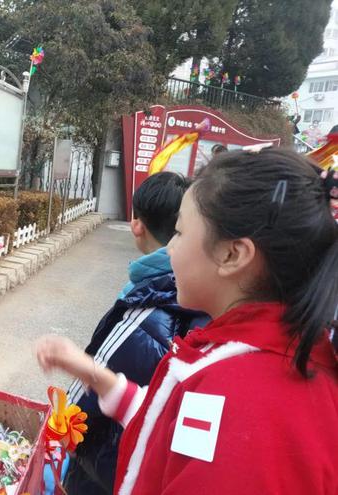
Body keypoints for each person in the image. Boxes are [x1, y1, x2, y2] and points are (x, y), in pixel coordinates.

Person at [38, 148, 337, 494]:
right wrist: (98, 377)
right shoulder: (264, 356)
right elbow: (173, 432)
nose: (170, 249)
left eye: (179, 232)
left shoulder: (243, 405)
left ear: (232, 254)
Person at [45, 172, 209, 494]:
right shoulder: (199, 309)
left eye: (182, 233)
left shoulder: (150, 306)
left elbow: (85, 398)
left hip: (106, 467)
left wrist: (56, 438)